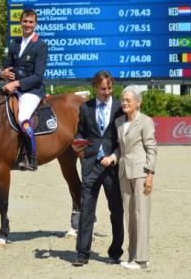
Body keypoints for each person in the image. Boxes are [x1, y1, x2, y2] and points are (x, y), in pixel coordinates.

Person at [72, 70, 124, 267]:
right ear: (95, 88)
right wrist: (78, 145)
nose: (107, 92)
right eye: (103, 89)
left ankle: (115, 252)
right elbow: (80, 133)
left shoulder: (120, 107)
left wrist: (115, 157)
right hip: (91, 165)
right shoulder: (85, 108)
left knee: (116, 210)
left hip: (112, 166)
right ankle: (82, 253)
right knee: (86, 210)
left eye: (110, 88)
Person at [106, 85, 158, 270]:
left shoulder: (146, 121)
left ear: (138, 102)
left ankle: (142, 260)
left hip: (141, 173)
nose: (125, 102)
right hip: (123, 173)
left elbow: (151, 148)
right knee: (129, 216)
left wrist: (150, 174)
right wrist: (113, 157)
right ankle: (133, 256)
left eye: (128, 100)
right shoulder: (119, 121)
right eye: (123, 99)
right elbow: (121, 149)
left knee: (141, 215)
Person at [0, 9, 48, 171]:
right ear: (20, 22)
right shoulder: (14, 44)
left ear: (35, 24)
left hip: (31, 91)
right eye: (25, 21)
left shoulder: (40, 46)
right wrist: (2, 73)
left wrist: (15, 84)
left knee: (22, 119)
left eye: (31, 22)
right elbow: (5, 66)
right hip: (13, 88)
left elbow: (38, 76)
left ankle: (31, 157)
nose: (27, 24)